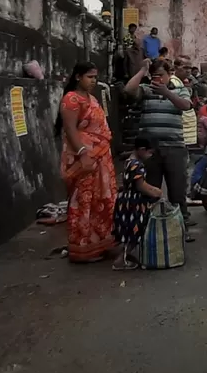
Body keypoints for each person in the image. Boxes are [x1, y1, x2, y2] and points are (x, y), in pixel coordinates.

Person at [124, 59, 195, 233]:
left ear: (169, 74)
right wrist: (142, 71)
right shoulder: (146, 90)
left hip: (175, 148)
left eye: (161, 75)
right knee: (150, 190)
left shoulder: (180, 90)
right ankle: (150, 229)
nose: (158, 79)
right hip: (149, 151)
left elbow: (186, 105)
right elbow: (128, 90)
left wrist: (167, 92)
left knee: (177, 192)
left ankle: (180, 229)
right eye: (155, 75)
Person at [58, 62, 117, 263]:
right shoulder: (71, 99)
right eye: (89, 77)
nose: (93, 80)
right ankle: (82, 248)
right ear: (77, 77)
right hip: (84, 158)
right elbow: (71, 130)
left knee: (102, 200)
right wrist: (83, 153)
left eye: (95, 77)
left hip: (100, 157)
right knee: (84, 201)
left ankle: (100, 243)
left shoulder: (91, 98)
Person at [112, 137, 164, 270]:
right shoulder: (137, 165)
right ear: (141, 150)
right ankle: (120, 261)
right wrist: (155, 192)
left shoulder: (129, 161)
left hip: (125, 200)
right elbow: (141, 186)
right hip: (134, 203)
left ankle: (123, 256)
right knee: (135, 231)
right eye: (149, 153)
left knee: (127, 230)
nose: (150, 155)